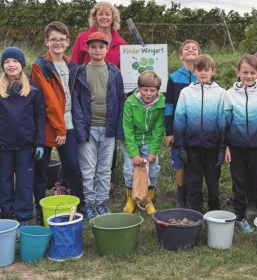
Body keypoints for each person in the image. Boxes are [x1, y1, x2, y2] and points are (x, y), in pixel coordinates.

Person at [0, 47, 46, 225]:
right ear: (3, 65)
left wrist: (39, 142)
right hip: (3, 146)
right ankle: (7, 215)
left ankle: (24, 216)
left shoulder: (33, 89)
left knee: (25, 182)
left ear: (22, 64)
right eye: (7, 62)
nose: (11, 65)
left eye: (15, 61)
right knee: (4, 182)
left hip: (27, 145)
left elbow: (40, 116)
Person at [31, 22, 86, 222]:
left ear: (68, 42)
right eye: (53, 39)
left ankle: (80, 209)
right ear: (46, 41)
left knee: (73, 168)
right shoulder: (39, 66)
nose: (58, 43)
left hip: (68, 126)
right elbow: (49, 101)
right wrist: (59, 129)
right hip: (46, 127)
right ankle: (39, 211)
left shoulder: (73, 66)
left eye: (62, 40)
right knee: (41, 172)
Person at [72, 32, 125, 219]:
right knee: (87, 169)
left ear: (107, 49)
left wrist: (119, 130)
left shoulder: (114, 72)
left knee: (104, 169)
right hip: (88, 129)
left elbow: (120, 101)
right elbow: (76, 103)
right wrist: (79, 130)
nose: (97, 50)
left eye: (101, 47)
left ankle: (102, 202)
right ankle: (88, 204)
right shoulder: (80, 71)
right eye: (93, 47)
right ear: (87, 48)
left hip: (108, 129)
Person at [224, 55, 257, 233]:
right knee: (238, 184)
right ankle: (240, 218)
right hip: (236, 148)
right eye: (245, 72)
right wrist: (226, 147)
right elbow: (225, 122)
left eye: (252, 72)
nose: (248, 76)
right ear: (238, 72)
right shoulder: (229, 94)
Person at [173, 54, 228, 213]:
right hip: (192, 147)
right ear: (194, 71)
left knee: (213, 184)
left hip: (213, 147)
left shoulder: (221, 93)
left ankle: (214, 212)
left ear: (213, 71)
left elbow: (223, 121)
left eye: (206, 70)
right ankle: (195, 213)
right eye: (199, 70)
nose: (203, 73)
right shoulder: (186, 93)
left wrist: (222, 148)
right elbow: (179, 120)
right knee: (194, 183)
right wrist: (181, 146)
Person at [122, 71, 166, 215]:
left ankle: (148, 200)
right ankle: (131, 200)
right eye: (145, 90)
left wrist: (153, 150)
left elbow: (159, 129)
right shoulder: (130, 102)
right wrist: (134, 154)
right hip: (132, 140)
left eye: (152, 90)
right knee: (130, 169)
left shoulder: (161, 103)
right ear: (139, 88)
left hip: (149, 140)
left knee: (152, 169)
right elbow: (127, 129)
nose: (148, 94)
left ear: (158, 90)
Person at [165, 39, 201, 208]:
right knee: (180, 164)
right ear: (181, 55)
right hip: (179, 130)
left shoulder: (203, 76)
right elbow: (169, 105)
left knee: (196, 163)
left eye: (194, 48)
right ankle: (181, 200)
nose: (191, 50)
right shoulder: (173, 78)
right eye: (186, 48)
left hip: (199, 130)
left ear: (199, 55)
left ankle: (195, 198)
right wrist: (169, 131)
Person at [70, 1, 127, 67]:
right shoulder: (82, 38)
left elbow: (124, 69)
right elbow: (73, 65)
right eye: (100, 14)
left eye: (107, 14)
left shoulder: (121, 42)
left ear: (113, 18)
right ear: (95, 17)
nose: (104, 17)